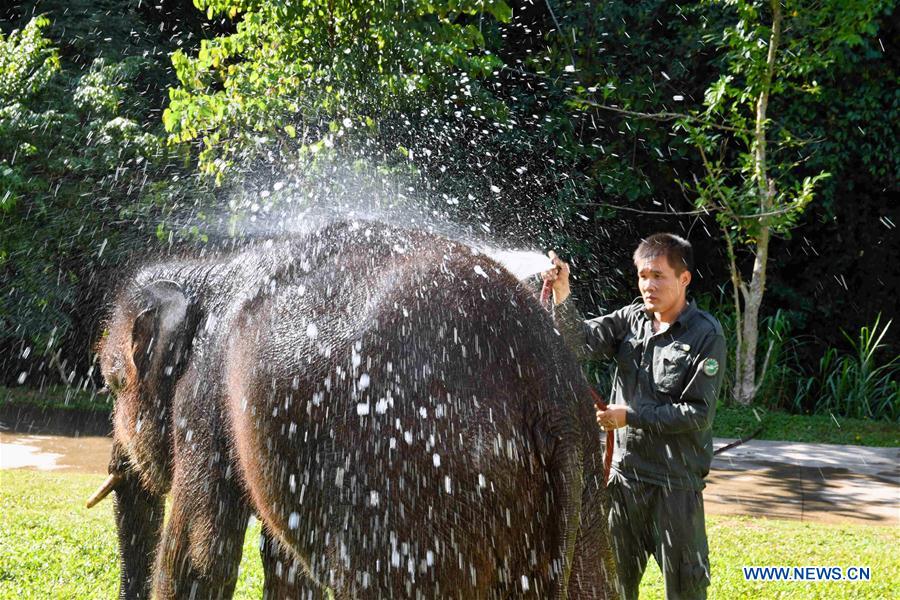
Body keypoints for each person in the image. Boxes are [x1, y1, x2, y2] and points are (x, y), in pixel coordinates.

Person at [543, 233, 726, 600]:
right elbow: (578, 341)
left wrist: (630, 416)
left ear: (684, 279)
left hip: (675, 487)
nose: (648, 285)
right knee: (613, 587)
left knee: (686, 589)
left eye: (658, 276)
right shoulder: (631, 319)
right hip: (624, 482)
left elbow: (697, 413)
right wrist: (562, 294)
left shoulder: (706, 335)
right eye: (643, 276)